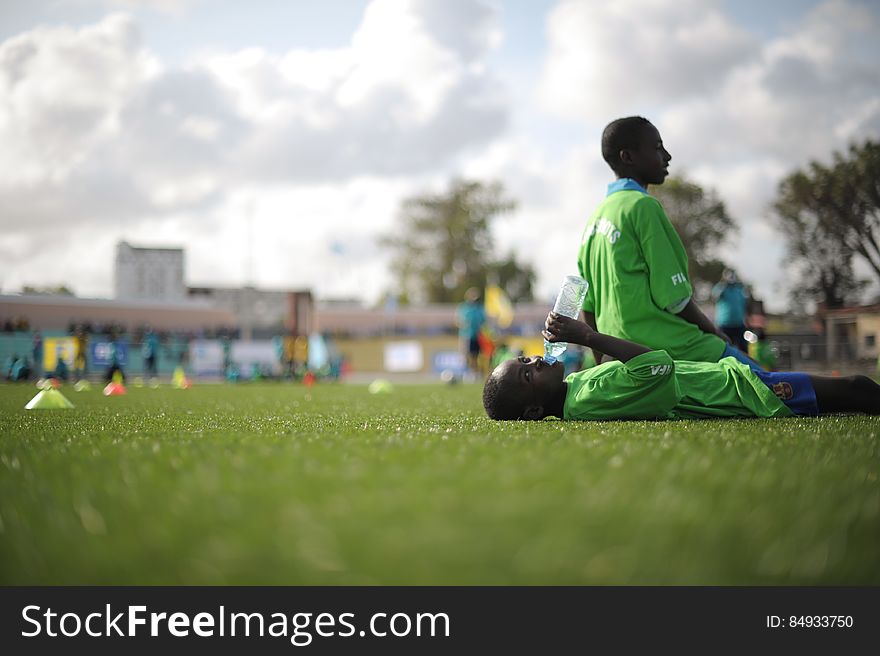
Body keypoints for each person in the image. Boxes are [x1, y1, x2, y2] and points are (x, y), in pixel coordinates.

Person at [577, 116, 761, 369]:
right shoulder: (643, 206)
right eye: (657, 147)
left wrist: (603, 365)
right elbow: (675, 299)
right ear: (628, 157)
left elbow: (587, 307)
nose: (667, 156)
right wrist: (714, 333)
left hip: (625, 356)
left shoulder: (595, 219)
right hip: (673, 346)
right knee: (774, 384)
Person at [482, 312, 880, 421]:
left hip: (732, 382)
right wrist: (588, 336)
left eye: (525, 359)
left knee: (855, 390)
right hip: (741, 394)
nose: (534, 360)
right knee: (857, 388)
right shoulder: (588, 398)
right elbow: (659, 366)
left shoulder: (576, 389)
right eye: (527, 373)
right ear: (534, 410)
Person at [712, 269, 748, 351]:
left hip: (739, 325)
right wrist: (724, 284)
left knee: (744, 349)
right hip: (724, 326)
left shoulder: (739, 289)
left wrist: (746, 319)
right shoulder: (720, 287)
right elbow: (715, 297)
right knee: (723, 348)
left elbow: (744, 305)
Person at [457, 287, 486, 375]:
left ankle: (475, 372)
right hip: (466, 335)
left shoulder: (480, 308)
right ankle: (469, 371)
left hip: (477, 336)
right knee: (466, 356)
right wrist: (463, 324)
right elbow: (458, 321)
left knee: (476, 355)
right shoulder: (463, 308)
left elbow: (483, 321)